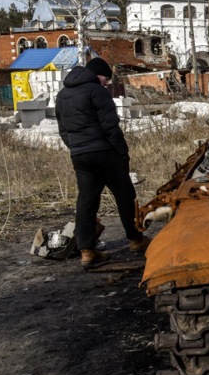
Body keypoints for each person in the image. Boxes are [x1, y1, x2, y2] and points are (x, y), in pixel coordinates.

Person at [56, 57, 149, 268]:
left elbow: (62, 130)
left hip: (80, 156)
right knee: (124, 193)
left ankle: (87, 251)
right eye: (105, 78)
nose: (106, 82)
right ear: (96, 75)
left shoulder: (62, 95)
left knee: (87, 201)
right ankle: (135, 239)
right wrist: (122, 151)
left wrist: (76, 148)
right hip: (105, 151)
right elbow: (110, 125)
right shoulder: (97, 91)